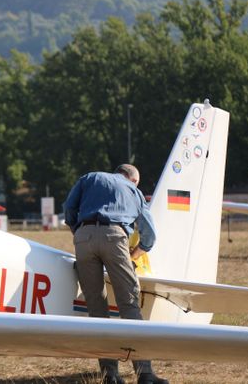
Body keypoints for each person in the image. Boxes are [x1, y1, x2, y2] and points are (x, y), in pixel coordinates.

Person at [62, 164, 168, 384]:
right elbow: (149, 233)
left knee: (96, 309)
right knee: (129, 304)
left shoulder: (90, 177)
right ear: (133, 179)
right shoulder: (133, 190)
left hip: (83, 237)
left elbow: (69, 208)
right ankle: (145, 373)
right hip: (114, 237)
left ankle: (109, 374)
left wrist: (79, 231)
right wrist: (135, 254)